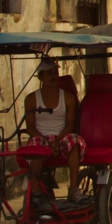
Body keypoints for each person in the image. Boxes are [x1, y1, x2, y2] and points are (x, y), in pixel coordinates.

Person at [24, 59, 87, 205]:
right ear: (40, 77)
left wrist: (57, 140)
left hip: (62, 136)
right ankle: (36, 193)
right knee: (35, 145)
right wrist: (46, 141)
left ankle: (73, 188)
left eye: (55, 73)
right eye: (49, 73)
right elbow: (30, 128)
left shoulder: (68, 98)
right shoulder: (31, 99)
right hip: (40, 137)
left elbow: (70, 125)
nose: (54, 76)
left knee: (75, 141)